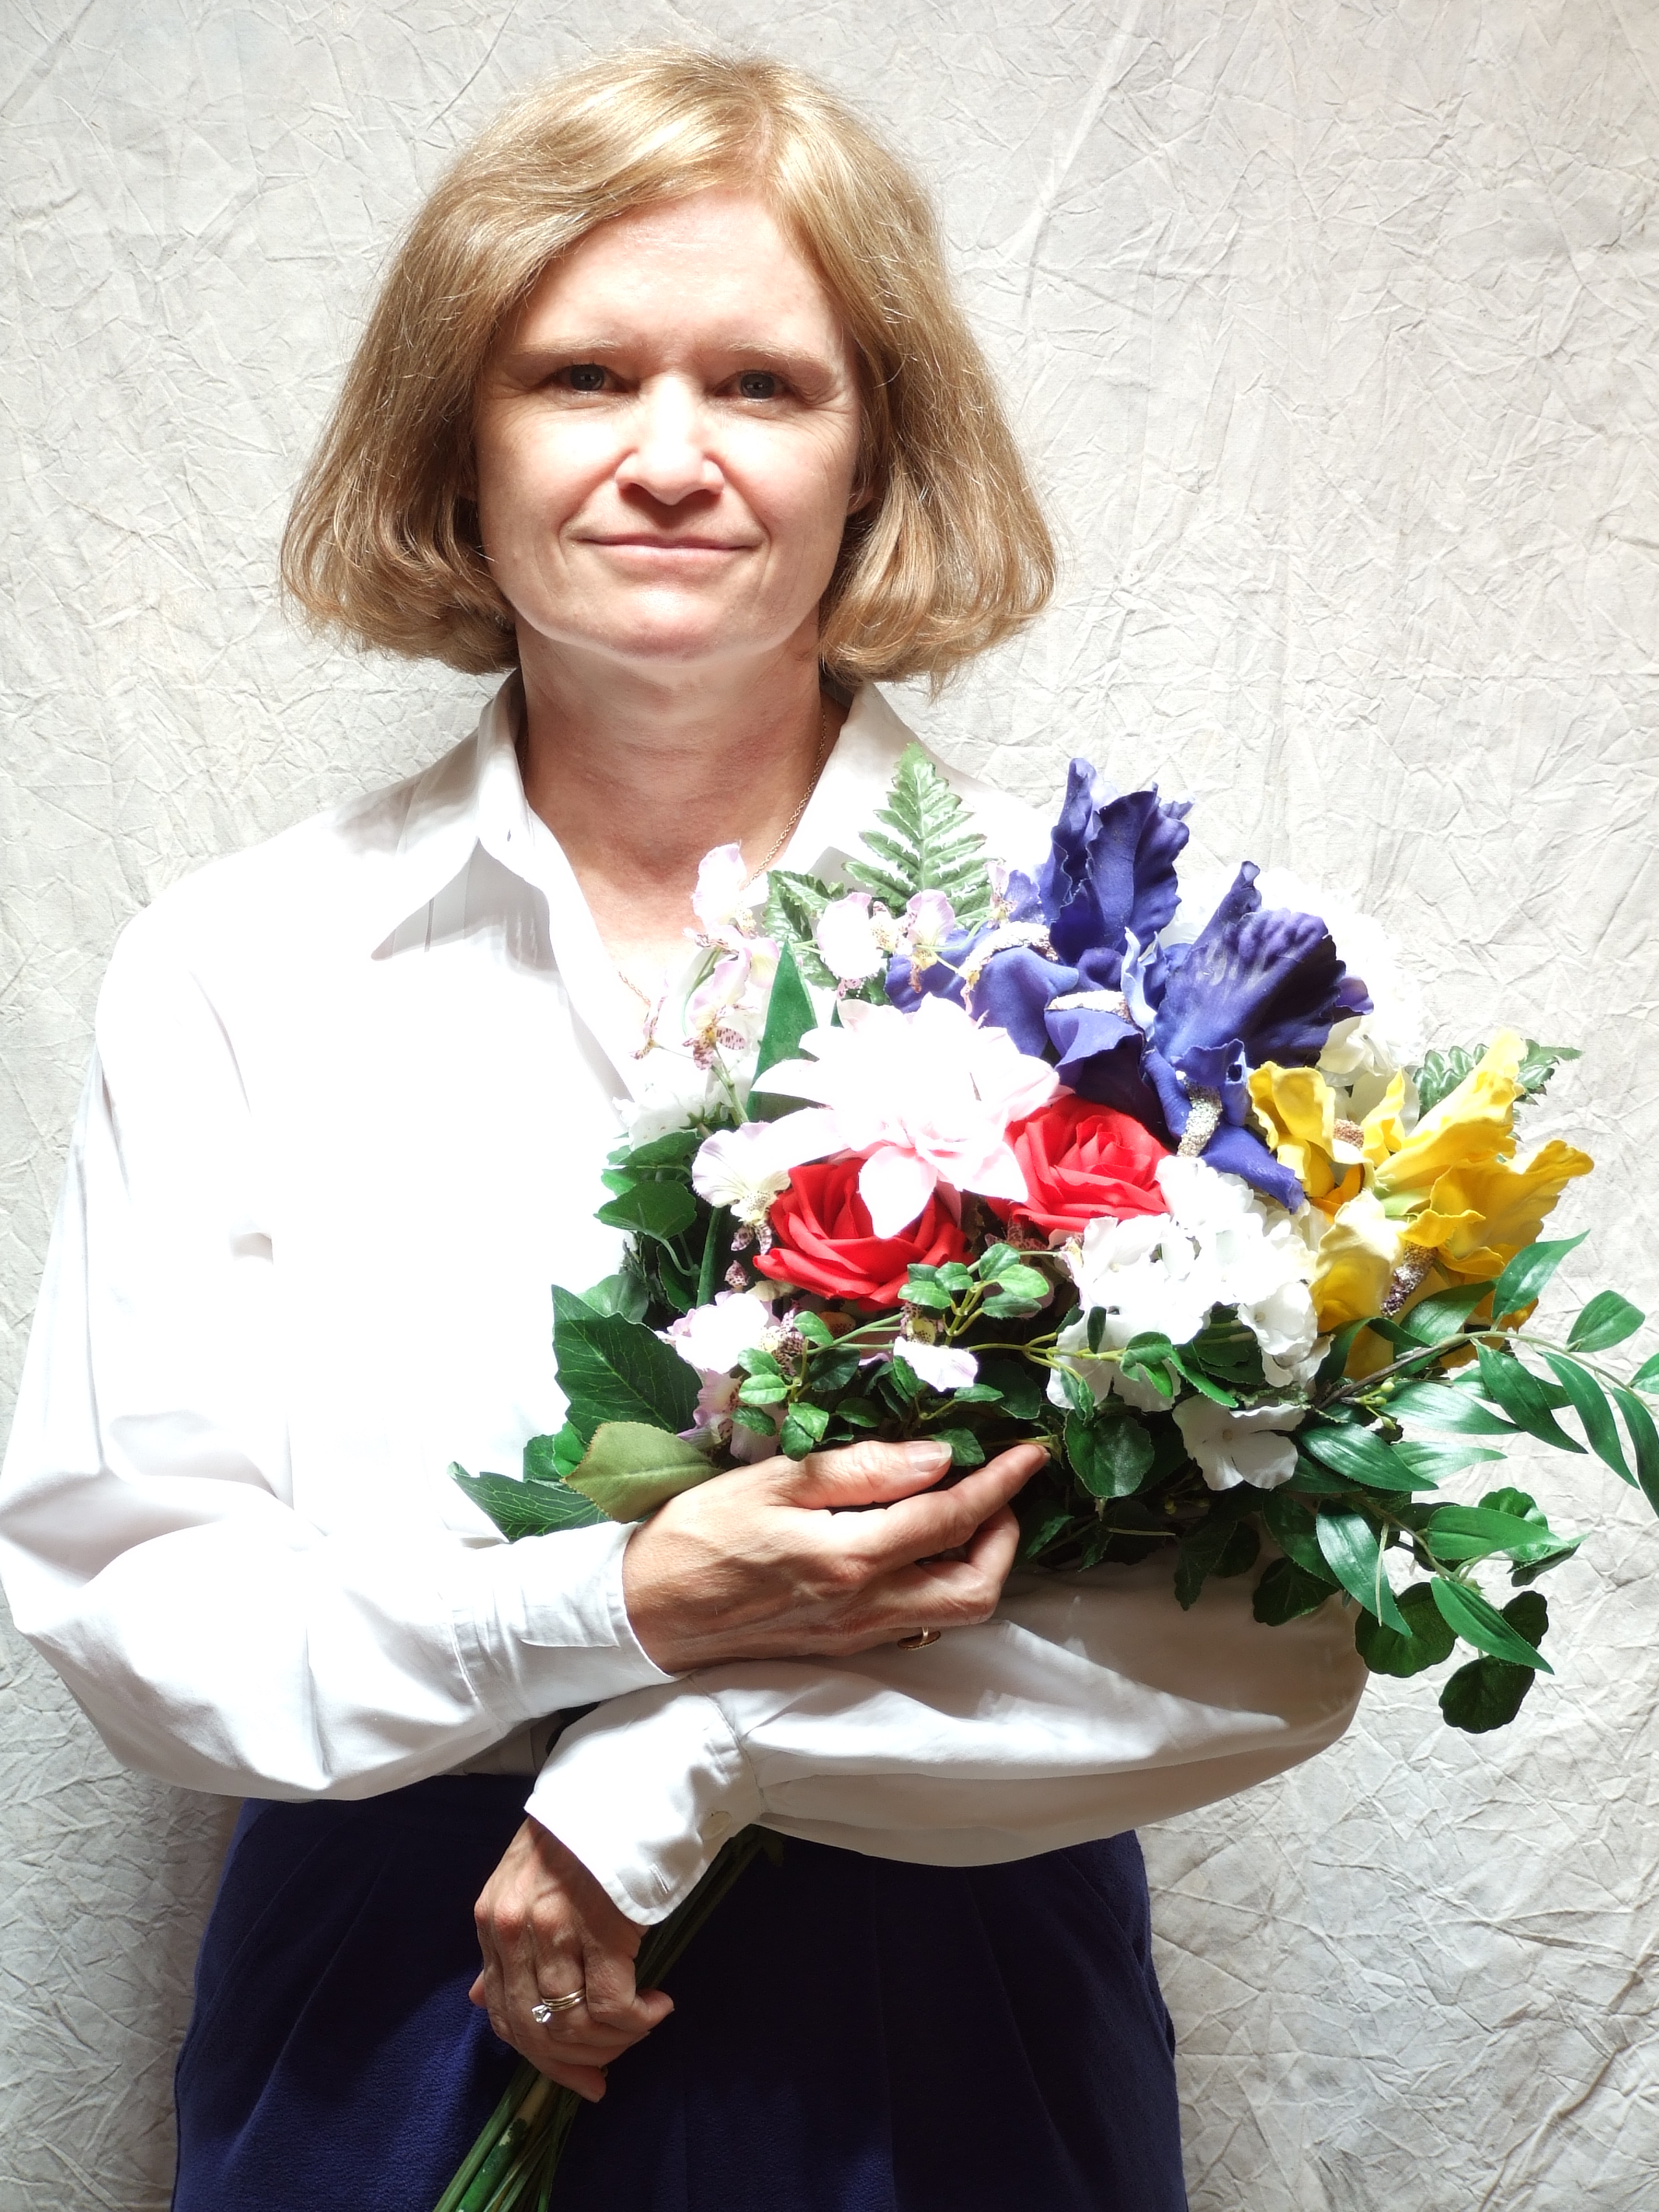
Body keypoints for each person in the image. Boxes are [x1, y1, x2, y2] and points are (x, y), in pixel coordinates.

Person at [0, 49, 1365, 2212]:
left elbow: (1273, 1634)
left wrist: (683, 1758)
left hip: (953, 2010)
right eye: (580, 376)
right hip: (390, 1988)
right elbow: (129, 1592)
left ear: (872, 454)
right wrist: (609, 1606)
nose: (666, 456)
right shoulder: (243, 963)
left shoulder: (1108, 975)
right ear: (455, 437)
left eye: (760, 384)